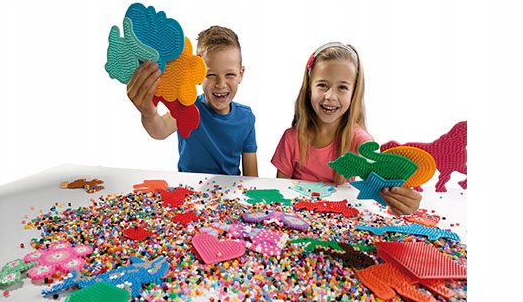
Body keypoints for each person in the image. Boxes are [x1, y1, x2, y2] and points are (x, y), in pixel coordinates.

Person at [271, 42, 421, 215]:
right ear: (309, 87)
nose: (330, 96)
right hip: (298, 217)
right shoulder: (291, 139)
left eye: (342, 87)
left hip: (341, 217)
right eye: (322, 85)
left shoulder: (360, 141)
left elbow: (382, 177)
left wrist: (402, 197)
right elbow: (281, 191)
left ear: (354, 92)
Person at [126, 25, 258, 177]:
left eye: (229, 74)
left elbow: (252, 178)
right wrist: (149, 113)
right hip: (188, 188)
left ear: (241, 74)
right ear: (197, 73)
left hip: (230, 190)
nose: (221, 84)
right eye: (210, 75)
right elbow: (160, 130)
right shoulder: (187, 106)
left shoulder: (246, 117)